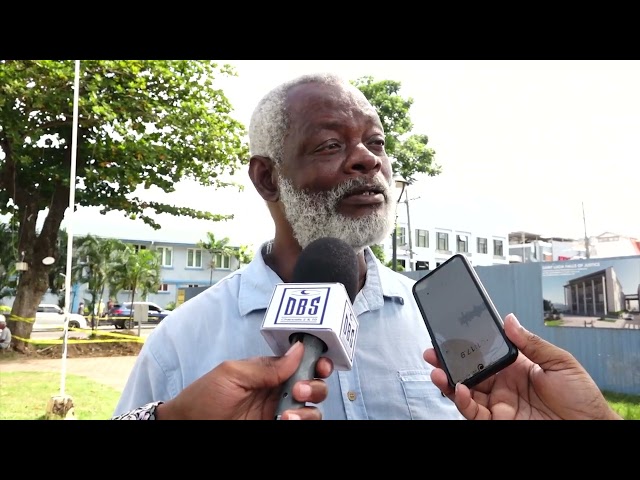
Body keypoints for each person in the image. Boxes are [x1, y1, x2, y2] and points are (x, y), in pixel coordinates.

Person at [112, 72, 620, 421]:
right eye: (331, 145)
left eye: (375, 143)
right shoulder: (181, 342)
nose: (367, 161)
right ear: (268, 178)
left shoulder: (448, 327)